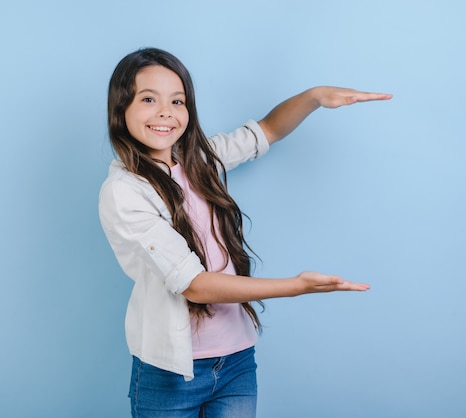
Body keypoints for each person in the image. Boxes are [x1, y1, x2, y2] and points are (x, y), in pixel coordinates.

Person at [99, 47, 392, 418]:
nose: (165, 112)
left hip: (237, 361)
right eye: (148, 99)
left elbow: (265, 131)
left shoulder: (199, 160)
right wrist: (296, 286)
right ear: (120, 108)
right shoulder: (124, 191)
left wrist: (314, 97)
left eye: (178, 100)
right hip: (172, 373)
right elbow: (195, 284)